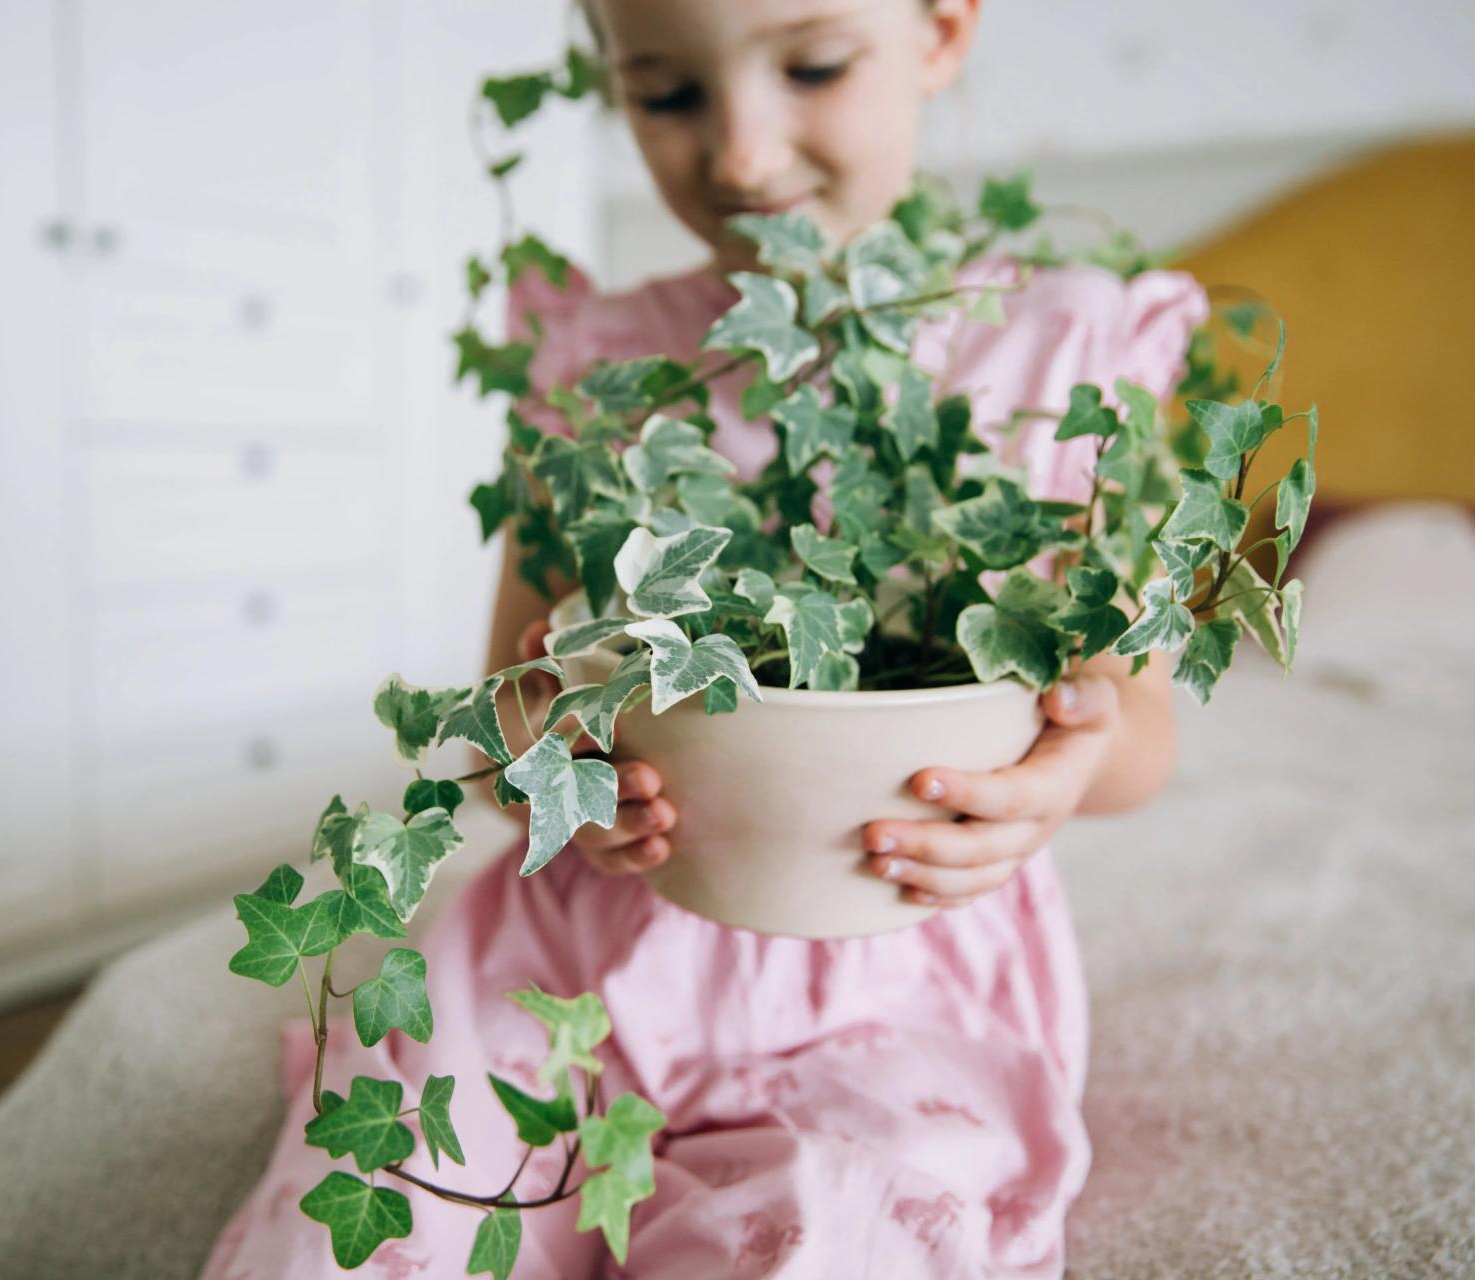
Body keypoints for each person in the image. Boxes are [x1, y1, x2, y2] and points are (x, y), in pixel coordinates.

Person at [202, 0, 1206, 1274]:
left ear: (942, 29)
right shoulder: (596, 373)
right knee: (361, 1225)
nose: (738, 155)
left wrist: (1065, 769)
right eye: (667, 93)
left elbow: (1138, 723)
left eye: (813, 65)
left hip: (897, 964)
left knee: (838, 1226)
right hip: (575, 951)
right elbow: (513, 698)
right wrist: (559, 776)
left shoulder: (1074, 355)